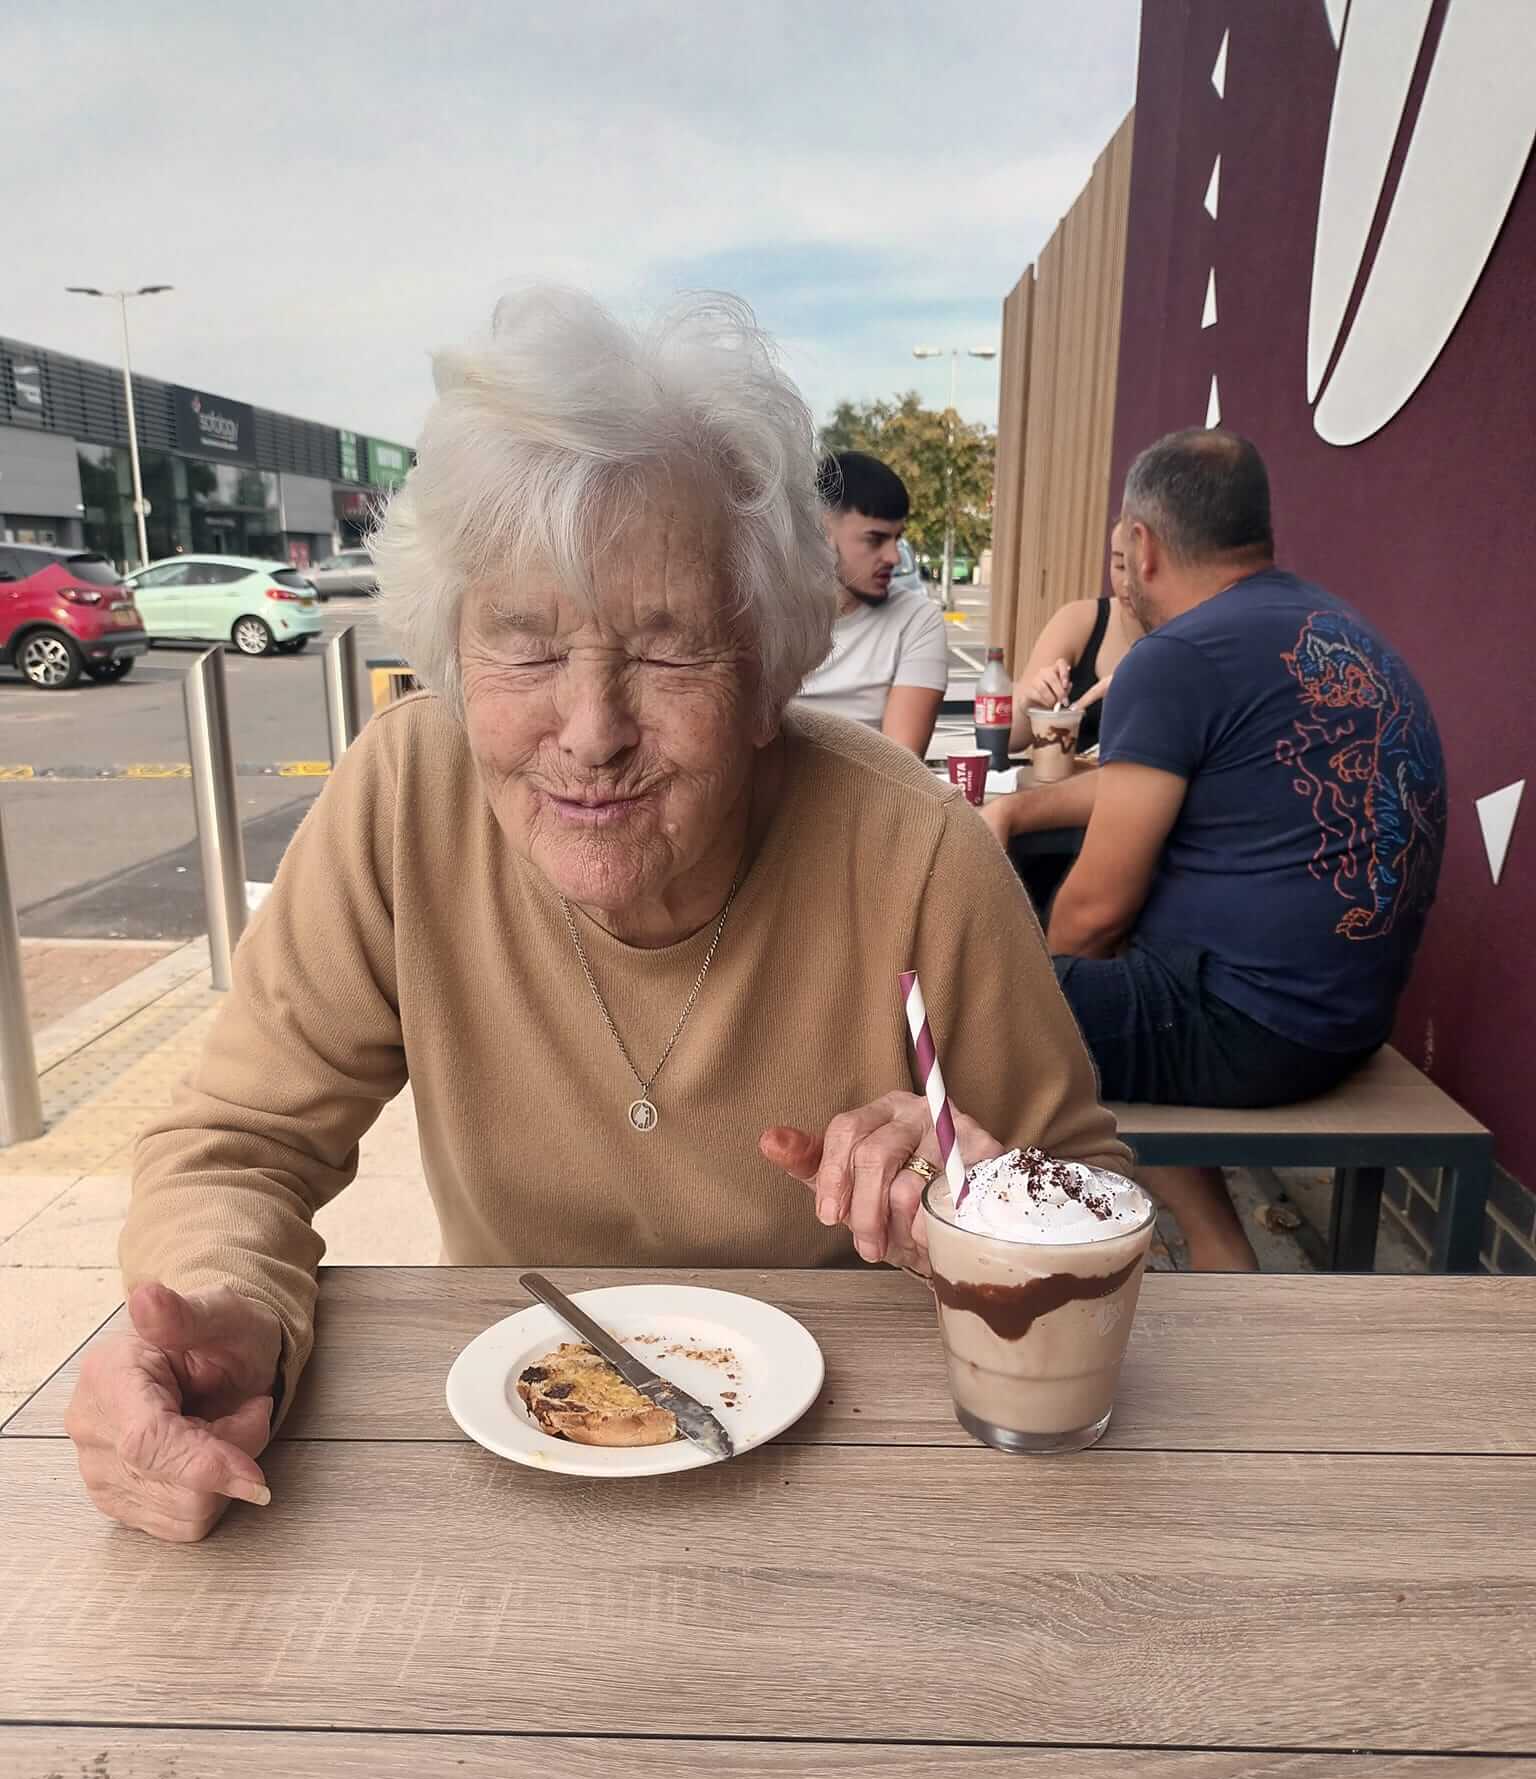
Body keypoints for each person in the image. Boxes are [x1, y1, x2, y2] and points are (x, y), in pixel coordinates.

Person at [66, 288, 1126, 1543]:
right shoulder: (407, 798)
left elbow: (1094, 1202)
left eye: (669, 651)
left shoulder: (912, 851)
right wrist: (223, 1308)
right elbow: (238, 1141)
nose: (590, 731)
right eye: (522, 648)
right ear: (455, 660)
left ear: (765, 672)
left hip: (851, 1494)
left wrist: (980, 1205)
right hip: (505, 1482)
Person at [1034, 427, 1446, 1269]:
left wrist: (1037, 1002)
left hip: (1248, 1031)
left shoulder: (1176, 654)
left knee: (971, 1001)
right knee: (1122, 959)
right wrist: (1014, 822)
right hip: (1351, 1015)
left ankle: (1042, 1250)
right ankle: (1224, 1249)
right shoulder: (1342, 631)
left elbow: (1096, 909)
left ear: (1142, 546)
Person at [799, 451, 949, 755]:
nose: (894, 557)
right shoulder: (766, 615)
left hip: (870, 798)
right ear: (823, 530)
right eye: (875, 539)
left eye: (897, 538)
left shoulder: (917, 619)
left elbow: (901, 767)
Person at [1006, 520, 1144, 756]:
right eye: (1120, 565)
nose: (1127, 583)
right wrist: (1030, 705)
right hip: (1067, 784)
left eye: (1140, 568)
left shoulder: (1194, 633)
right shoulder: (1078, 620)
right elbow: (1009, 739)